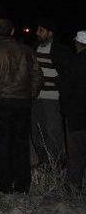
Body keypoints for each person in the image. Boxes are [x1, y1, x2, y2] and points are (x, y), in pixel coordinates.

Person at [0, 18, 43, 194]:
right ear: (13, 31)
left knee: (1, 144)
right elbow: (38, 76)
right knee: (21, 144)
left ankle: (6, 185)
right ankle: (23, 185)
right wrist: (30, 95)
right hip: (22, 103)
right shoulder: (26, 50)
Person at [32, 19, 71, 166]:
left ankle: (57, 164)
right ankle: (44, 162)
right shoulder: (35, 48)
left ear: (50, 32)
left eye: (41, 30)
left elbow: (68, 73)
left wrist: (59, 84)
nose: (37, 33)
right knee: (37, 131)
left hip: (53, 98)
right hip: (36, 97)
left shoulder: (60, 50)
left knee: (53, 132)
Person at [63, 30, 86, 190]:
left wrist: (64, 109)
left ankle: (74, 185)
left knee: (76, 152)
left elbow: (67, 89)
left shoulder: (74, 62)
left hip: (76, 114)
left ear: (77, 43)